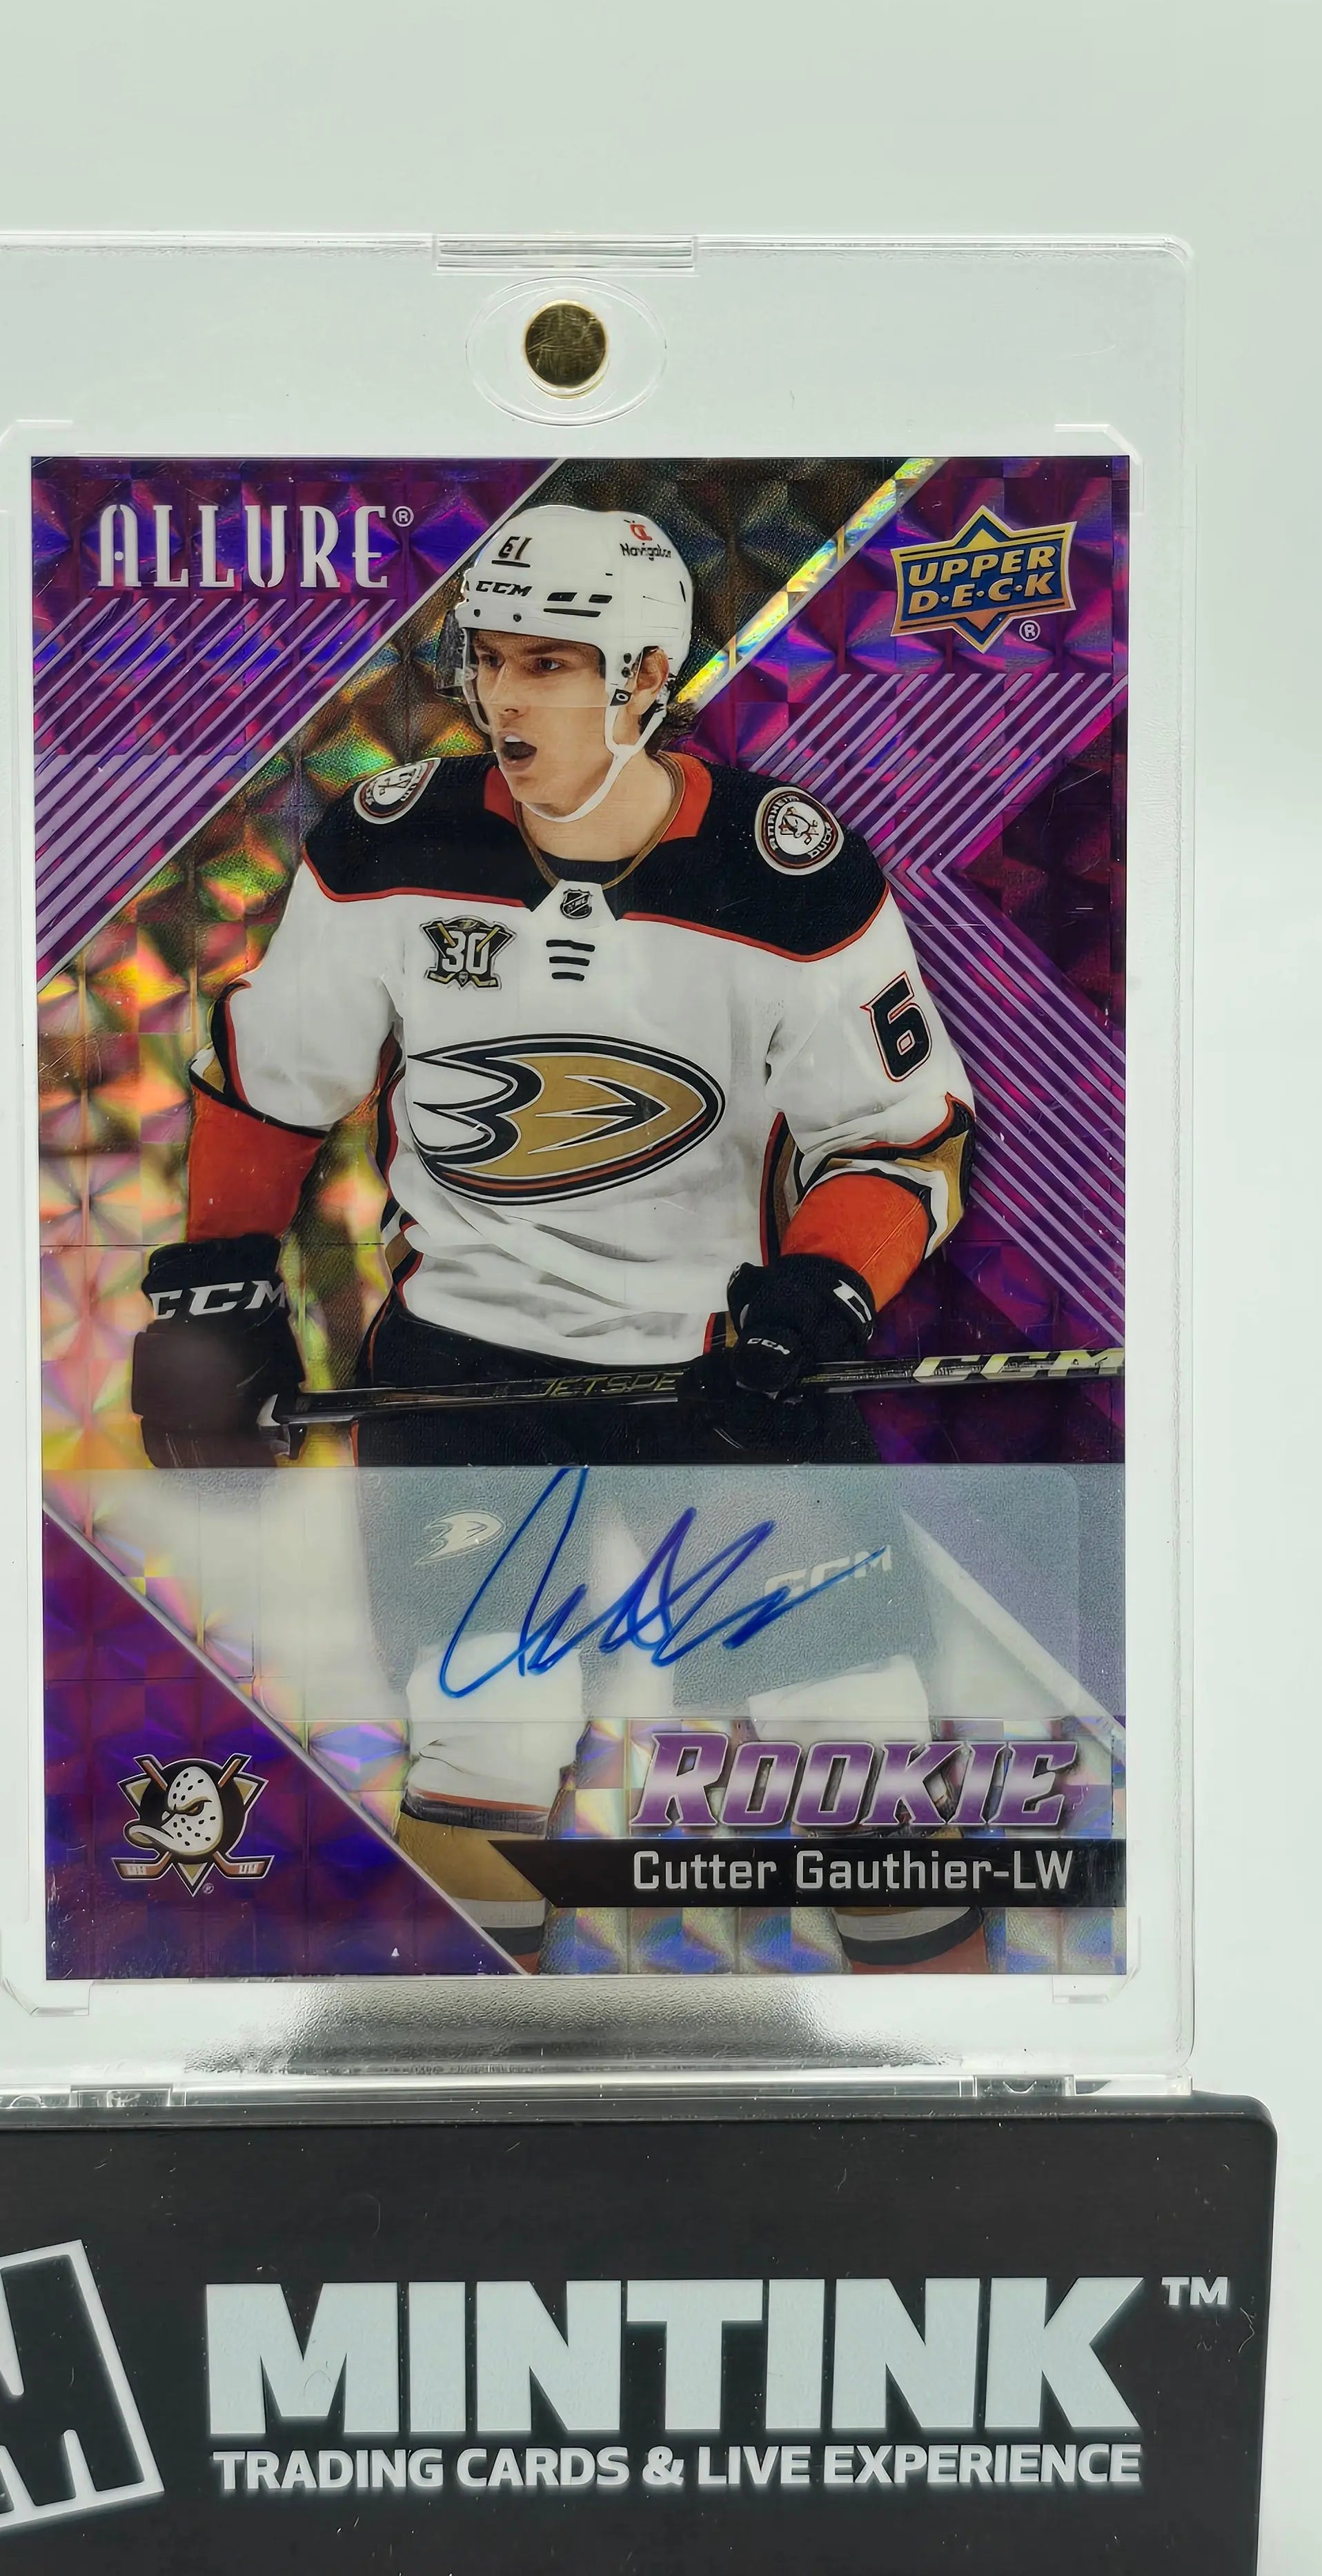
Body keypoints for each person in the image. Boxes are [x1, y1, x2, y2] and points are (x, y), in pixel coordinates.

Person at [132, 502, 984, 1970]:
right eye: (488, 659)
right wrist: (214, 1288)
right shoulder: (394, 844)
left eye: (548, 663)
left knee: (861, 1757)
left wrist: (824, 1291)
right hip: (467, 1371)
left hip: (726, 1370)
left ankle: (971, 2094)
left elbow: (899, 1138)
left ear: (645, 678)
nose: (502, 699)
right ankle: (462, 2099)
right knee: (485, 1746)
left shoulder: (791, 875)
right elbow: (276, 1076)